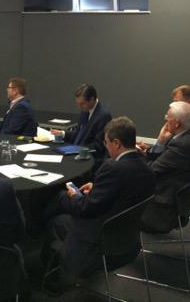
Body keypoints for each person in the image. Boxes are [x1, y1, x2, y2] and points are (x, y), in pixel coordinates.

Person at [44, 117, 155, 285]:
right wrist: (96, 188)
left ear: (116, 143)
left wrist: (72, 194)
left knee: (56, 211)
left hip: (100, 237)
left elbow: (84, 208)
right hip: (127, 238)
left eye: (106, 143)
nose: (106, 147)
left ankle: (59, 276)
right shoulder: (146, 165)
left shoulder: (112, 167)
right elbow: (124, 189)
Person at [140, 101, 190, 233]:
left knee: (116, 197)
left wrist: (133, 157)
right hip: (177, 204)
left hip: (163, 210)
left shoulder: (181, 145)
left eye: (168, 115)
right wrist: (160, 142)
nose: (165, 118)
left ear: (177, 123)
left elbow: (150, 171)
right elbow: (163, 163)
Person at [52, 84, 112, 160]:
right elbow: (79, 134)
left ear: (92, 99)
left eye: (82, 103)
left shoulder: (103, 116)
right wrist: (63, 134)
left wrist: (76, 149)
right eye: (78, 104)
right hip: (76, 152)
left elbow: (99, 145)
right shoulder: (85, 110)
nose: (79, 107)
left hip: (89, 158)